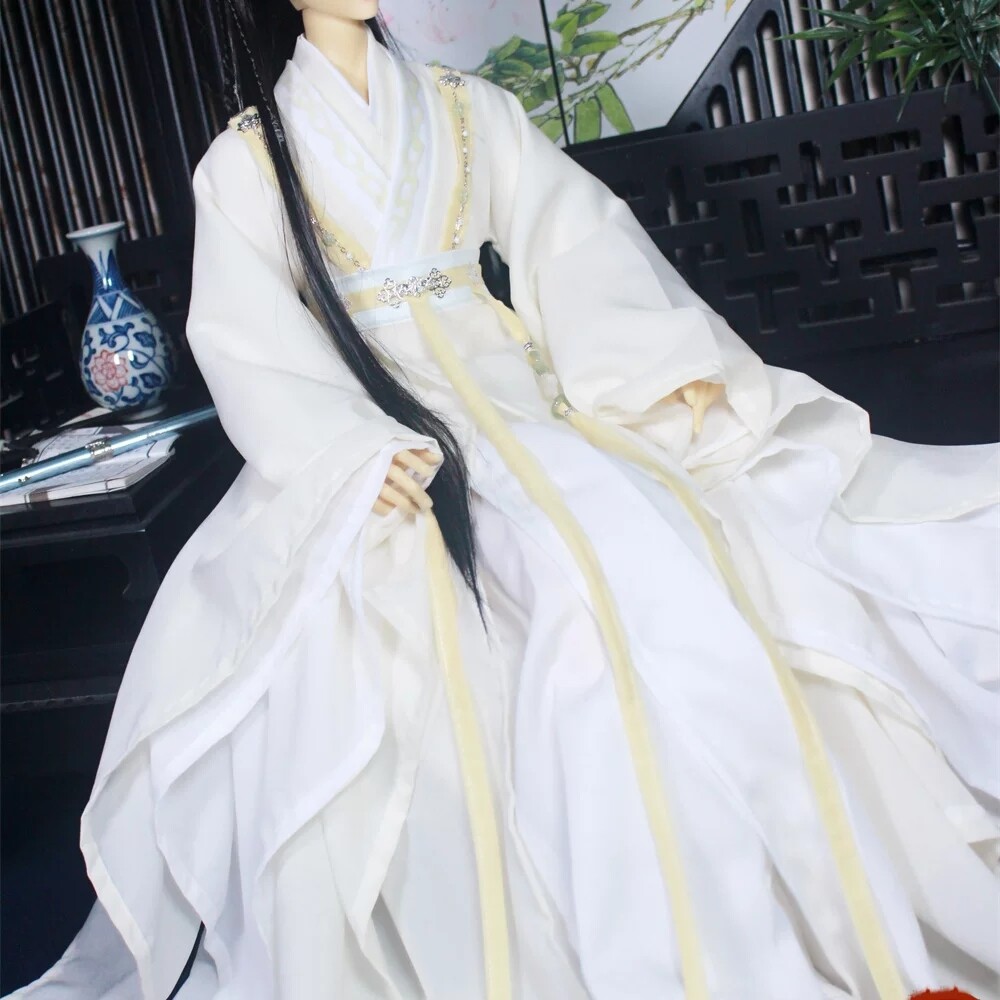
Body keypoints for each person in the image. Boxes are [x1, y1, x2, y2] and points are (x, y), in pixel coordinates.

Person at [11, 1, 998, 998]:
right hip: (380, 431)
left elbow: (574, 244)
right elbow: (249, 338)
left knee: (658, 545)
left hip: (524, 399)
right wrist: (346, 451)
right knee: (430, 618)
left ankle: (747, 895)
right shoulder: (246, 160)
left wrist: (660, 362)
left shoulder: (467, 108)